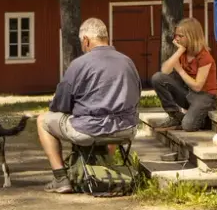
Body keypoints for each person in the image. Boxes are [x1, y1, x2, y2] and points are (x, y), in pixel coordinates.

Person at [38, 18, 142, 194]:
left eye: (82, 43)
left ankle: (61, 178)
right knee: (111, 119)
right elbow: (136, 95)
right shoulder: (128, 62)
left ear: (86, 40)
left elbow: (60, 104)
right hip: (127, 129)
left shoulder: (80, 64)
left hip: (89, 129)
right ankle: (103, 166)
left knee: (42, 120)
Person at [152, 17, 217, 131]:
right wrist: (179, 51)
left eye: (180, 36)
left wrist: (180, 70)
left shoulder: (204, 57)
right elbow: (164, 70)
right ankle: (175, 116)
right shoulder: (183, 52)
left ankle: (200, 120)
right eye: (176, 35)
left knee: (188, 126)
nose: (176, 39)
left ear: (191, 37)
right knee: (157, 78)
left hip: (205, 96)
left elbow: (198, 86)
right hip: (188, 93)